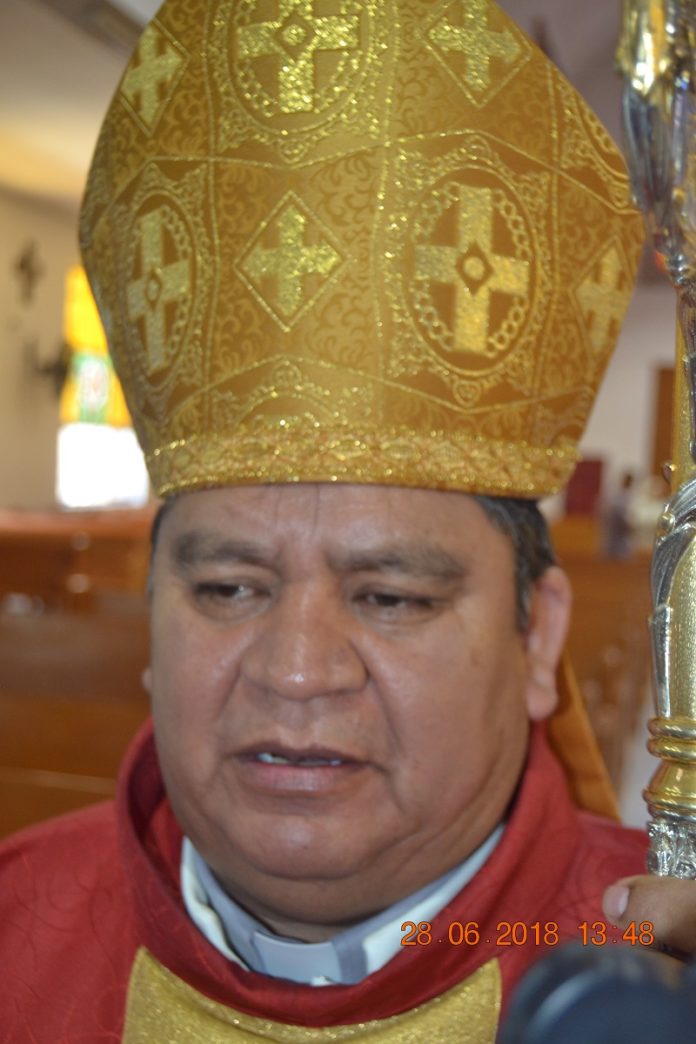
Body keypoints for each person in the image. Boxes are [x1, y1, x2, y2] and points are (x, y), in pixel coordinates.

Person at [0, 1, 687, 1040]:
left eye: (391, 596)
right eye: (229, 587)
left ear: (538, 637)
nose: (296, 671)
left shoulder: (655, 968)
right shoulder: (16, 918)